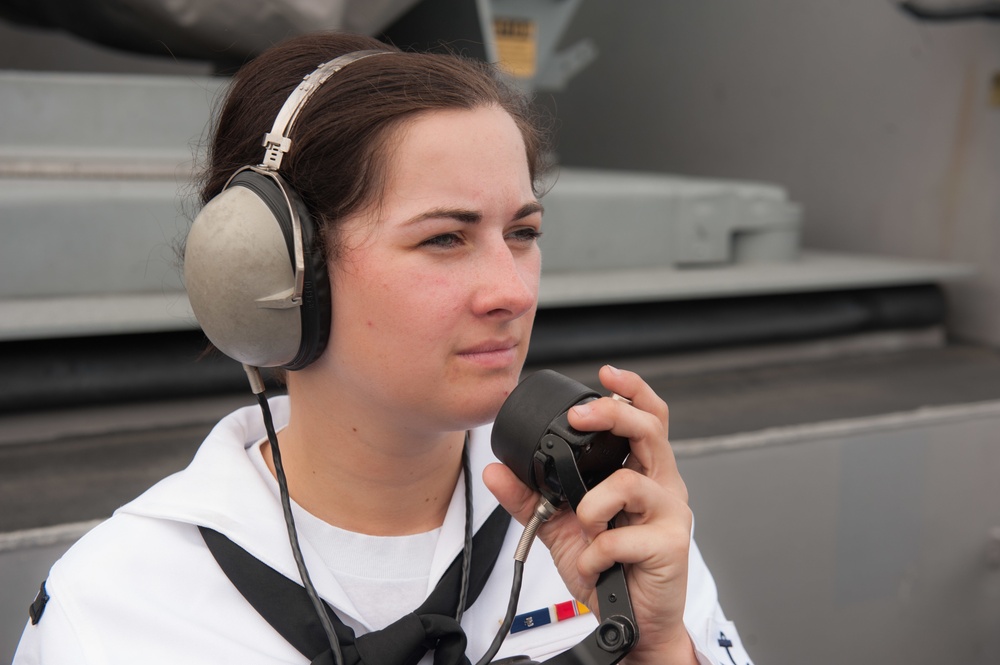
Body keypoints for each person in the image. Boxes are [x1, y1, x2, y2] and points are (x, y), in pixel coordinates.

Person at [13, 32, 753, 665]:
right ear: (273, 270)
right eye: (443, 238)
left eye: (522, 233)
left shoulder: (611, 542)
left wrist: (662, 648)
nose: (512, 290)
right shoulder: (116, 607)